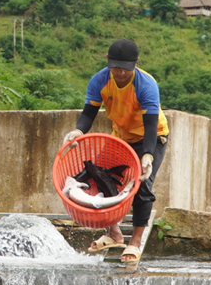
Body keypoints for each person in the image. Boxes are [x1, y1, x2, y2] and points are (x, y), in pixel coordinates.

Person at [62, 38, 168, 270]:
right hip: (120, 136)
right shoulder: (100, 80)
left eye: (125, 68)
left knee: (142, 184)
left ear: (135, 64)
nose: (119, 72)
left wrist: (148, 154)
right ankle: (115, 234)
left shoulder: (146, 85)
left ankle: (136, 241)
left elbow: (151, 125)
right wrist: (78, 130)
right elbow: (89, 112)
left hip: (151, 137)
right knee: (100, 177)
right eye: (115, 67)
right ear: (108, 62)